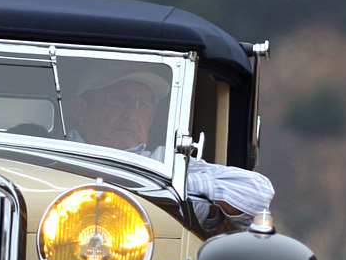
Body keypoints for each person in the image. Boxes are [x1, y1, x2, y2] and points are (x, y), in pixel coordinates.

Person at [69, 63, 275, 232]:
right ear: (80, 109)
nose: (131, 114)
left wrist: (168, 183)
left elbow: (258, 192)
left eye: (143, 105)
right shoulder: (49, 157)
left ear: (149, 121)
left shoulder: (163, 163)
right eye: (119, 100)